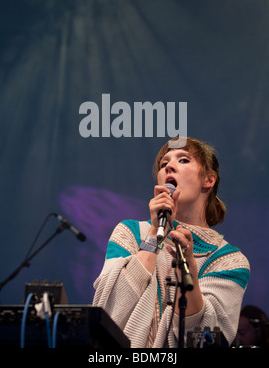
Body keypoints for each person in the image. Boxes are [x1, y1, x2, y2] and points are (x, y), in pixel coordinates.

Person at [93, 137, 250, 348]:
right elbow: (108, 309)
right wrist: (153, 238)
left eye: (183, 160)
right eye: (163, 164)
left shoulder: (230, 262)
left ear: (208, 180)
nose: (169, 167)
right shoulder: (130, 233)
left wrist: (189, 271)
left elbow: (204, 338)